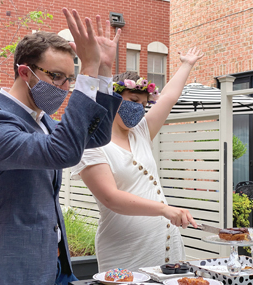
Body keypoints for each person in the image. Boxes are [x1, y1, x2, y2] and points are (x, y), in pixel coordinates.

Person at [0, 7, 122, 285]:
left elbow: (97, 136)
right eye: (56, 76)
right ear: (25, 72)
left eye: (70, 79)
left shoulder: (43, 120)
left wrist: (104, 70)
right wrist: (87, 69)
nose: (64, 87)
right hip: (10, 268)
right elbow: (62, 152)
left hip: (53, 264)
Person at [71, 47, 204, 272]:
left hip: (164, 244)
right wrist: (164, 209)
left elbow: (169, 98)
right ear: (112, 99)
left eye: (143, 105)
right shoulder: (91, 144)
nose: (138, 109)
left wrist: (186, 64)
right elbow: (111, 198)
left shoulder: (141, 132)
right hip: (123, 250)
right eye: (132, 100)